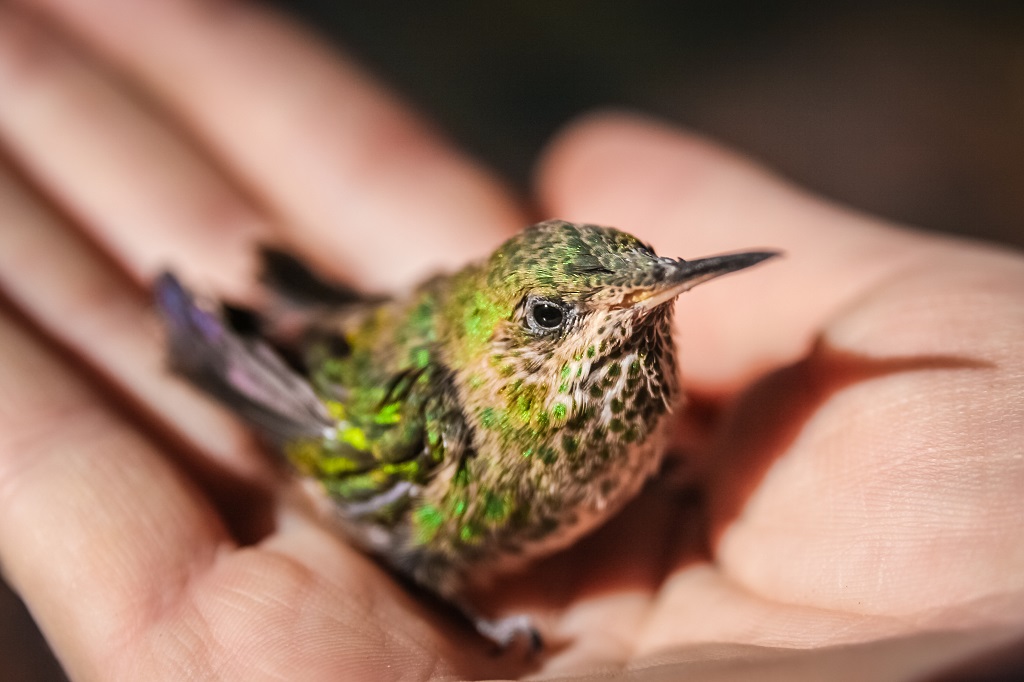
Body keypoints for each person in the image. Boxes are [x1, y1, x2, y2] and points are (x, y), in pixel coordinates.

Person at [0, 1, 1021, 680]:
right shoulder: (439, 420)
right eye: (555, 314)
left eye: (646, 277)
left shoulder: (638, 377)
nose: (640, 304)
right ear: (503, 335)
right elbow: (334, 448)